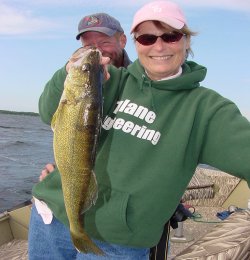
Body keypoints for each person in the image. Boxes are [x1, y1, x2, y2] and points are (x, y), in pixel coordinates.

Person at [30, 1, 250, 259]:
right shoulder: (109, 81)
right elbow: (49, 113)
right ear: (135, 42)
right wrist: (69, 73)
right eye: (147, 38)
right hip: (50, 216)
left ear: (186, 41)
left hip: (117, 242)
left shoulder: (208, 110)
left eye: (170, 35)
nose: (159, 46)